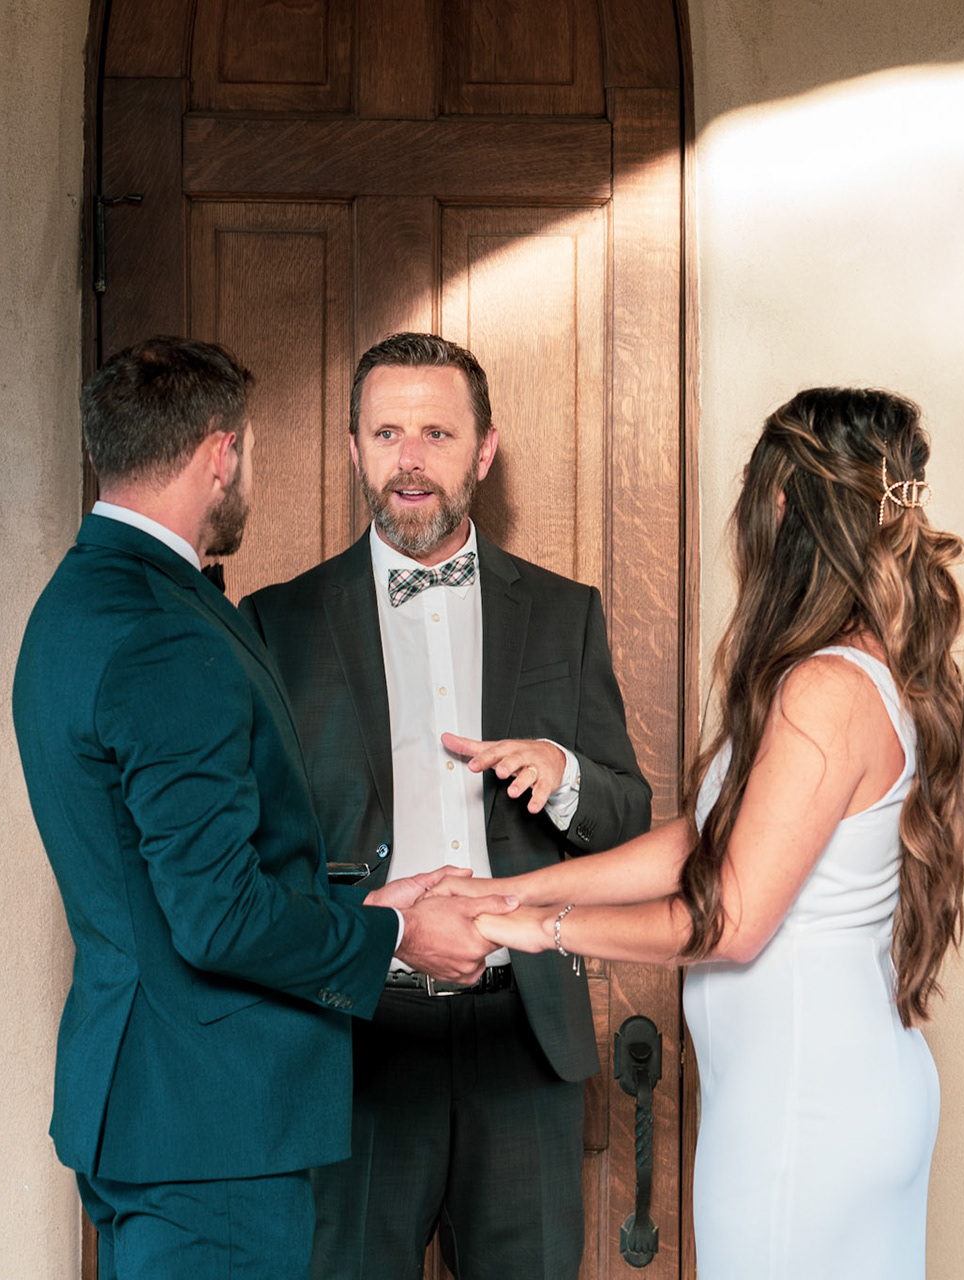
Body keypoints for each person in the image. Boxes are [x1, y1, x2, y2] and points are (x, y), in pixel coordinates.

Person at [10, 336, 513, 1280]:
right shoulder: (163, 634)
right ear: (220, 453)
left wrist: (367, 905)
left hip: (151, 1108)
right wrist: (393, 936)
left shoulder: (78, 601)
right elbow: (217, 916)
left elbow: (164, 878)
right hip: (214, 1130)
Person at [456, 387, 964, 1278]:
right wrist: (514, 889)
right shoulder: (865, 668)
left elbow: (729, 923)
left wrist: (542, 932)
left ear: (778, 506)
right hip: (838, 1088)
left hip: (803, 1112)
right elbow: (704, 844)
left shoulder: (824, 690)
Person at [240, 332, 652, 1280]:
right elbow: (257, 856)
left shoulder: (566, 613)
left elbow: (629, 821)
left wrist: (566, 773)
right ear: (354, 450)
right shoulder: (275, 623)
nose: (411, 460)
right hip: (355, 1041)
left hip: (525, 1043)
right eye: (387, 434)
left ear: (484, 450)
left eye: (437, 433)